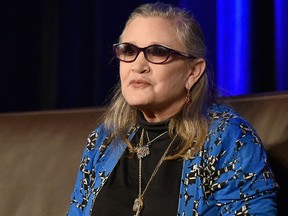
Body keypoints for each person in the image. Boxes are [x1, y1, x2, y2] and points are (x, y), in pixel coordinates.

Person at [67, 2, 278, 216]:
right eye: (129, 50)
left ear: (193, 72)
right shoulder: (104, 140)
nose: (138, 66)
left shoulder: (228, 139)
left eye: (158, 52)